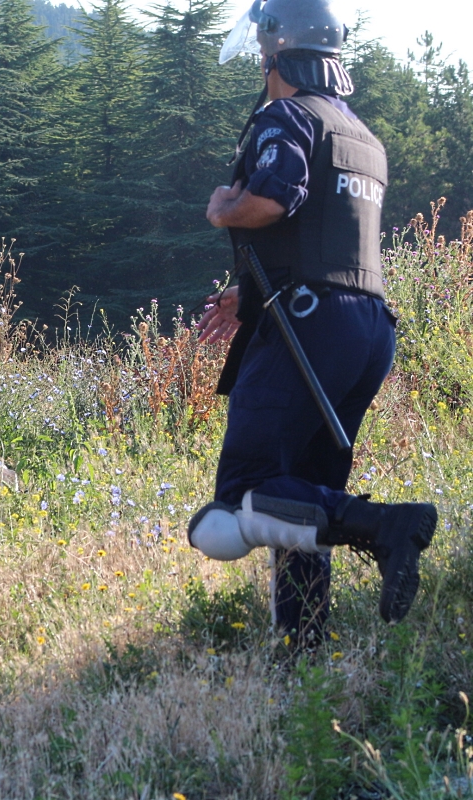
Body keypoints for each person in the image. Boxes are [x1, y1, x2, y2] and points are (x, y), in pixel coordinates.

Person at [188, 0, 436, 648]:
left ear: (274, 49)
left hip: (308, 326)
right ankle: (302, 650)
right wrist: (247, 294)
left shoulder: (285, 115)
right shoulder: (358, 133)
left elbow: (276, 198)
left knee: (239, 500)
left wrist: (225, 208)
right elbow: (325, 237)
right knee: (301, 496)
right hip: (367, 326)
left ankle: (387, 526)